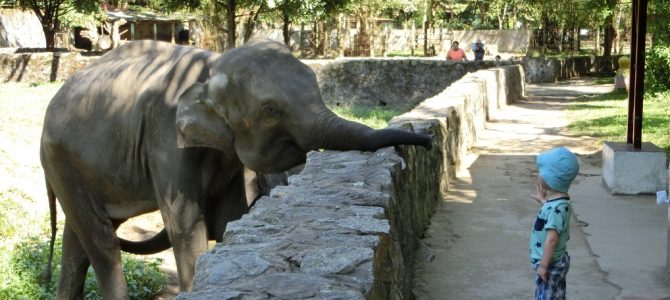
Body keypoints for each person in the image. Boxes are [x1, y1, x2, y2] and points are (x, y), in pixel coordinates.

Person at [529, 147, 579, 300]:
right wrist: (544, 202)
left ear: (551, 178)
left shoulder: (557, 207)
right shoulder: (559, 203)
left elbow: (552, 239)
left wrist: (543, 266)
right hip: (554, 261)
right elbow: (554, 214)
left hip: (551, 263)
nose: (539, 174)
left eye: (542, 171)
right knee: (553, 294)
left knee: (548, 297)